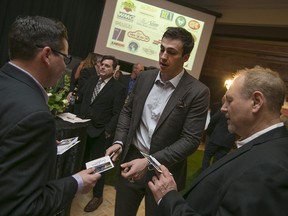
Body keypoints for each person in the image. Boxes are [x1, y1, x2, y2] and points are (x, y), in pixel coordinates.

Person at [148, 66, 288, 216]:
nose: (223, 108)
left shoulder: (270, 166)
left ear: (256, 102)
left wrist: (169, 198)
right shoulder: (265, 147)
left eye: (229, 100)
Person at [0, 16, 100, 215]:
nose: (65, 67)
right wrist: (76, 182)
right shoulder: (36, 116)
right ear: (47, 54)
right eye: (65, 57)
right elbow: (24, 207)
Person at [106, 27, 210, 216]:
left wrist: (149, 162)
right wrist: (119, 141)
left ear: (186, 57)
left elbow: (191, 139)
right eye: (162, 49)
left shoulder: (198, 92)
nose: (163, 56)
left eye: (171, 52)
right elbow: (127, 111)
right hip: (131, 160)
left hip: (164, 172)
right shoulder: (145, 77)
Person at [74, 55, 126, 212]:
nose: (103, 67)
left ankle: (98, 196)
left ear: (114, 69)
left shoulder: (119, 88)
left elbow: (117, 113)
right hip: (83, 128)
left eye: (108, 66)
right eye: (102, 64)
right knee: (81, 159)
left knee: (100, 166)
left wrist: (108, 131)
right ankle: (79, 186)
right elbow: (80, 98)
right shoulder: (91, 80)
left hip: (101, 132)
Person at [201, 107, 236, 171]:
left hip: (216, 138)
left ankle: (204, 173)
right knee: (218, 160)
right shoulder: (239, 112)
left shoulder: (224, 110)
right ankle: (213, 174)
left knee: (207, 156)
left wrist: (209, 132)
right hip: (228, 141)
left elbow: (213, 120)